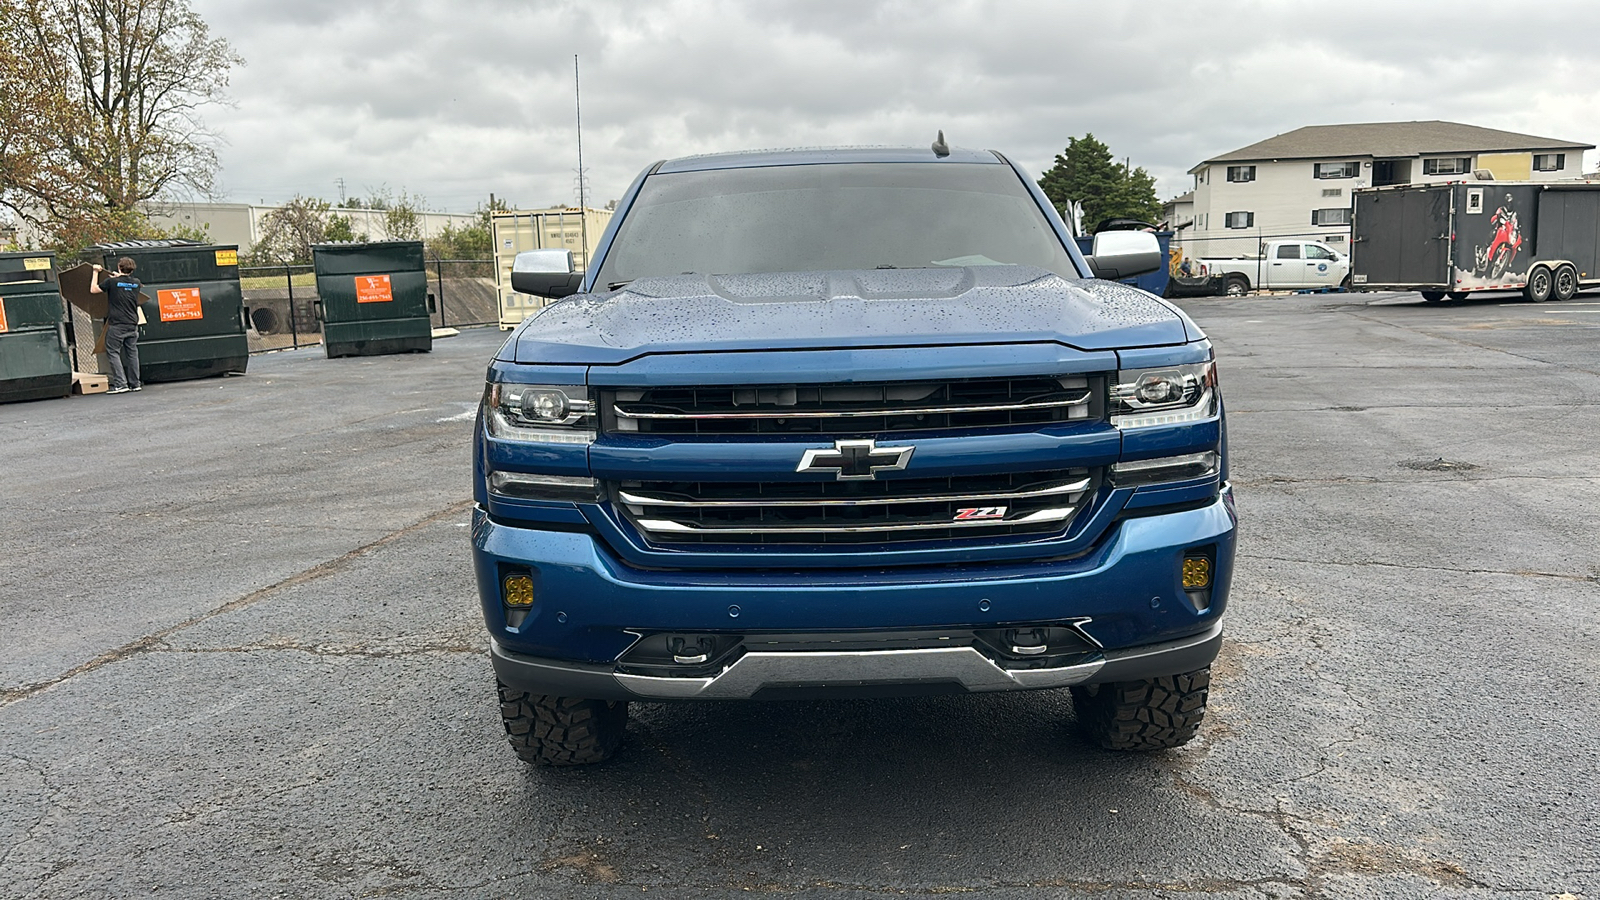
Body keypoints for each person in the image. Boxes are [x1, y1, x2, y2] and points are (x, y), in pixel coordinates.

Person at [89, 257, 143, 393]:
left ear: (119, 267)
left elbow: (93, 290)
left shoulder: (111, 282)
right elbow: (125, 284)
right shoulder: (136, 283)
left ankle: (121, 384)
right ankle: (135, 383)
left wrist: (95, 272)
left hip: (117, 324)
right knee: (132, 353)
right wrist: (119, 277)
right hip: (132, 323)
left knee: (113, 352)